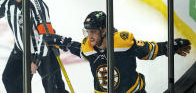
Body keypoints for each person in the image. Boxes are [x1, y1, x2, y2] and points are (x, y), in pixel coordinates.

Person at [45, 11, 191, 93]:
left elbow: (148, 50)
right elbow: (78, 49)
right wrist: (63, 41)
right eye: (88, 31)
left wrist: (170, 46)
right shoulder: (87, 46)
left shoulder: (122, 42)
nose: (90, 36)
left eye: (93, 31)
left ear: (104, 30)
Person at [0, 0, 69, 93]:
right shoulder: (8, 3)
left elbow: (45, 35)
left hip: (45, 53)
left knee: (55, 89)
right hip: (21, 51)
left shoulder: (36, 4)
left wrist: (36, 61)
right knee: (10, 79)